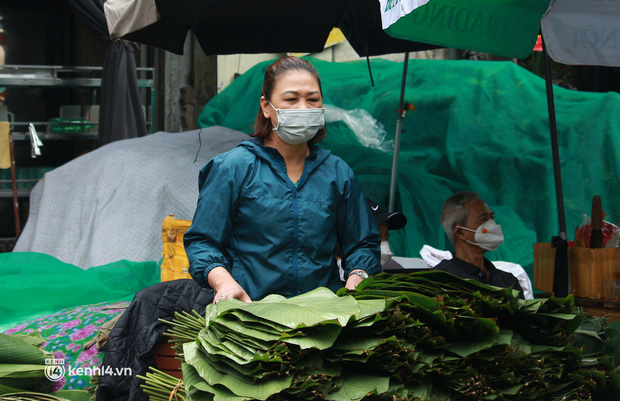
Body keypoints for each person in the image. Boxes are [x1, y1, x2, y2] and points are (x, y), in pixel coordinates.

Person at [183, 56, 381, 304]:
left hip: (322, 317)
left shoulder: (338, 173)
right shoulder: (233, 168)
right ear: (266, 107)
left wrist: (357, 277)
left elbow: (362, 243)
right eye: (291, 99)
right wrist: (224, 282)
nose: (303, 108)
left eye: (312, 100)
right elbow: (203, 242)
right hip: (250, 312)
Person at [435, 191, 524, 298]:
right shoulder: (440, 281)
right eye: (484, 219)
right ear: (460, 232)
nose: (493, 225)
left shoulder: (509, 281)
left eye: (492, 218)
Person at [365, 198, 407, 271]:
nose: (385, 246)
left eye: (386, 236)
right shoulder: (340, 275)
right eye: (375, 237)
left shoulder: (393, 269)